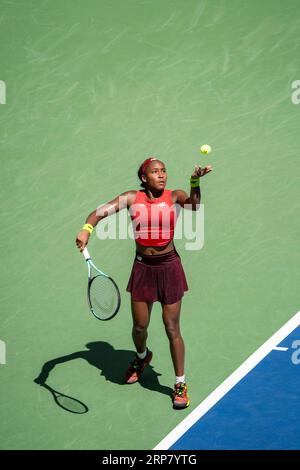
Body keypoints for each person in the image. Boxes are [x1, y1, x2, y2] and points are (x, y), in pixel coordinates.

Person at [75, 157, 212, 409]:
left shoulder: (174, 196)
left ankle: (180, 382)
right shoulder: (131, 198)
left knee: (172, 327)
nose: (161, 175)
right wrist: (87, 229)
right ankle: (142, 356)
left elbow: (194, 206)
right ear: (143, 178)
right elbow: (99, 212)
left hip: (169, 267)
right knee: (140, 327)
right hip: (142, 269)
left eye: (164, 171)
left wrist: (195, 182)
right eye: (155, 172)